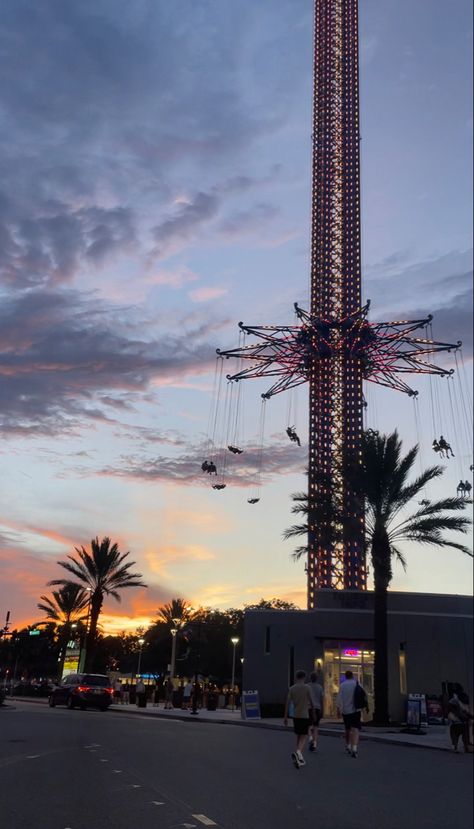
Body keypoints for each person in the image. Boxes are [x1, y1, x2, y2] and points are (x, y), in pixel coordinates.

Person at [283, 669, 313, 768]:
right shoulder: (307, 688)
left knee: (298, 735)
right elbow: (311, 701)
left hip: (296, 715)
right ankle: (298, 752)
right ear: (304, 677)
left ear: (296, 677)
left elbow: (287, 702)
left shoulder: (292, 688)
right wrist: (313, 712)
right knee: (304, 735)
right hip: (305, 714)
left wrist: (286, 716)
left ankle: (298, 757)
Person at [336, 670, 369, 759]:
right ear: (353, 676)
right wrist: (363, 708)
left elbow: (339, 699)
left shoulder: (342, 686)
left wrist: (338, 709)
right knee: (356, 729)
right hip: (356, 710)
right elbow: (363, 696)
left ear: (346, 676)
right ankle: (355, 748)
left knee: (347, 729)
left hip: (346, 711)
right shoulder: (357, 684)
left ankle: (348, 745)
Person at [307, 672, 324, 752]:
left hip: (309, 707)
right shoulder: (320, 687)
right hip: (317, 708)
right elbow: (321, 699)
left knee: (309, 725)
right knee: (316, 726)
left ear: (310, 678)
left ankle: (310, 738)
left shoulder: (307, 686)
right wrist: (322, 709)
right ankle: (315, 743)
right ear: (317, 679)